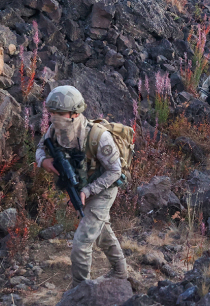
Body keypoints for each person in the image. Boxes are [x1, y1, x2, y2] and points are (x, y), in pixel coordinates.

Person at [36, 86, 127, 288]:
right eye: (51, 113)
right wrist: (44, 162)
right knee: (102, 230)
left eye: (59, 114)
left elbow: (115, 172)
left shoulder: (99, 137)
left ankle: (79, 290)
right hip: (82, 186)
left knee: (81, 243)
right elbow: (40, 149)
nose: (53, 118)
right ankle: (120, 273)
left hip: (104, 187)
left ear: (75, 113)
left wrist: (88, 191)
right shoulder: (54, 130)